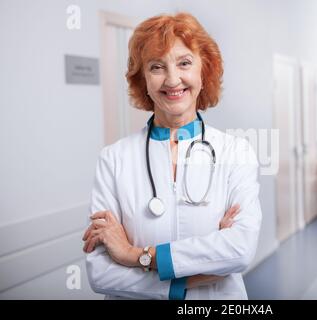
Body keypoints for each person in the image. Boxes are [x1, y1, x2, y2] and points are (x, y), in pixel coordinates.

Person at [83, 12, 262, 300]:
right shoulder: (113, 159)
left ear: (204, 71)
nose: (172, 79)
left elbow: (239, 250)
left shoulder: (236, 152)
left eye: (184, 63)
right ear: (143, 79)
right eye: (156, 67)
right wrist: (186, 280)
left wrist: (134, 255)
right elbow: (101, 272)